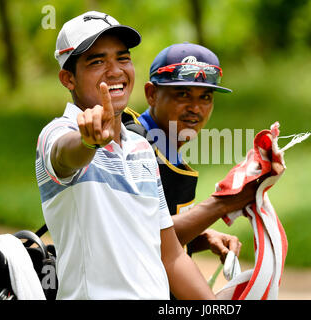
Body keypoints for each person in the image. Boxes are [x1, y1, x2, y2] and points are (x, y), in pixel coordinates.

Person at [35, 11, 215, 300]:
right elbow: (63, 155)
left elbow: (170, 256)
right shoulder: (58, 133)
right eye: (97, 61)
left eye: (123, 57)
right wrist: (88, 142)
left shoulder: (142, 149)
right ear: (68, 78)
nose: (116, 70)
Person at [122, 43, 260, 263]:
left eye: (205, 97)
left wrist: (203, 236)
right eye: (183, 94)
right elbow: (139, 237)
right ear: (151, 94)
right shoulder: (131, 144)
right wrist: (222, 204)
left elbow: (162, 226)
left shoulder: (165, 145)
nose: (195, 108)